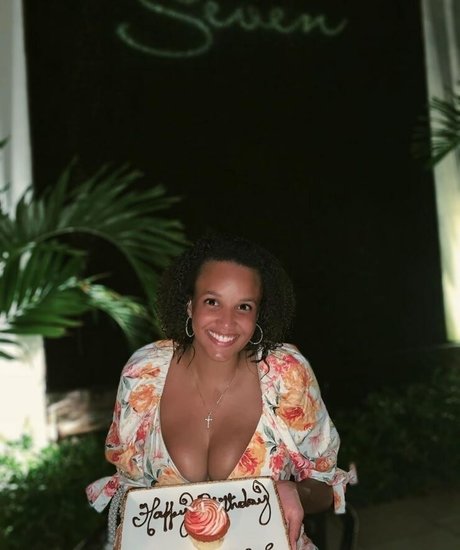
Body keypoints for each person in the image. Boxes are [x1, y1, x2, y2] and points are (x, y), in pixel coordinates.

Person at [86, 234, 353, 549]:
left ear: (258, 315)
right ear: (190, 305)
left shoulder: (286, 375)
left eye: (244, 306)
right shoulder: (144, 373)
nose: (227, 322)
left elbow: (325, 486)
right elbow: (130, 493)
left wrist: (296, 492)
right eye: (212, 302)